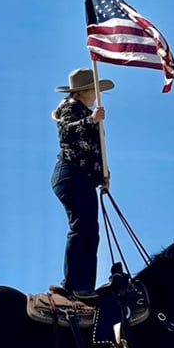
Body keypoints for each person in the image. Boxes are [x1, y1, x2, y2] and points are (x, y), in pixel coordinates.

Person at [49, 68, 114, 299]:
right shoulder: (69, 107)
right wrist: (90, 120)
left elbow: (91, 150)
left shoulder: (80, 109)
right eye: (94, 91)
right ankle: (74, 285)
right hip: (72, 174)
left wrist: (103, 174)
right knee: (82, 228)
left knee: (89, 230)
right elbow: (66, 133)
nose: (96, 95)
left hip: (81, 177)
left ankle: (82, 284)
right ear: (85, 91)